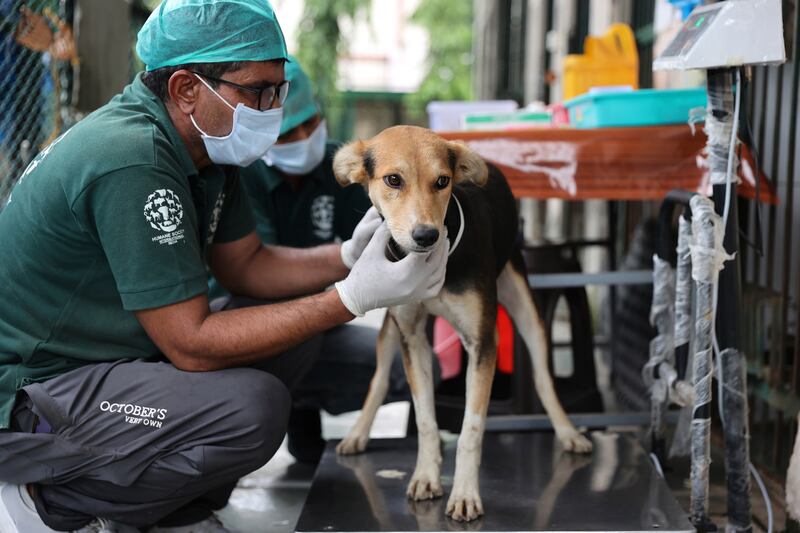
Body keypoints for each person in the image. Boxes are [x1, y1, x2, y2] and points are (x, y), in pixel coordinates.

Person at [0, 1, 448, 532]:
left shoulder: (206, 149)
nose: (273, 108)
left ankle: (171, 510)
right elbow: (189, 344)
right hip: (32, 393)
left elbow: (247, 267)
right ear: (187, 89)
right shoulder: (133, 158)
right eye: (258, 91)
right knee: (252, 408)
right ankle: (42, 502)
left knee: (291, 332)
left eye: (278, 90)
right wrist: (349, 299)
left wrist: (346, 257)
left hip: (111, 367)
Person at [210, 56, 414, 465]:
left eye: (311, 122)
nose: (305, 137)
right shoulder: (241, 175)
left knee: (400, 365)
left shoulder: (336, 166)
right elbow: (256, 270)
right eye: (288, 132)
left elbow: (383, 229)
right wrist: (345, 262)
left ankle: (301, 399)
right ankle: (282, 403)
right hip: (245, 322)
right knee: (278, 365)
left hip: (316, 322)